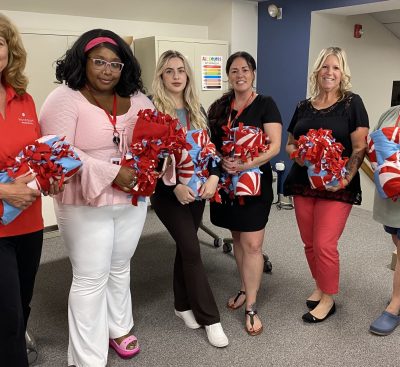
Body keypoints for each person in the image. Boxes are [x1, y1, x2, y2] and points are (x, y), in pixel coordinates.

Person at [40, 29, 154, 366]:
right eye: (99, 61)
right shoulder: (65, 97)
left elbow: (153, 140)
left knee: (119, 267)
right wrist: (110, 171)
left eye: (115, 63)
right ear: (83, 61)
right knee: (91, 276)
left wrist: (154, 163)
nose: (107, 70)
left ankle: (118, 328)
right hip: (83, 200)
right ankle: (87, 358)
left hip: (130, 199)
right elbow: (55, 147)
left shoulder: (137, 98)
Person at [284, 47, 369, 323]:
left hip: (336, 186)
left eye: (335, 67)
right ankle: (319, 285)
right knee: (309, 243)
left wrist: (344, 178)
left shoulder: (352, 103)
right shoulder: (303, 106)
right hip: (303, 183)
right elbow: (290, 144)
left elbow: (359, 148)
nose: (329, 72)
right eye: (325, 67)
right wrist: (301, 154)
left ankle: (329, 298)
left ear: (342, 73)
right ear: (317, 71)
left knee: (324, 243)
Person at [149, 50, 228, 348]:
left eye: (181, 70)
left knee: (186, 249)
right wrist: (173, 188)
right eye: (169, 71)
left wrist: (214, 177)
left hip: (198, 192)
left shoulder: (198, 109)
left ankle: (181, 306)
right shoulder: (153, 112)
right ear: (161, 76)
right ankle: (211, 319)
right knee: (193, 250)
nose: (176, 76)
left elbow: (212, 153)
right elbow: (150, 161)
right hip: (170, 195)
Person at [0, 13, 62, 367]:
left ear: (9, 49)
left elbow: (35, 155)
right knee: (8, 312)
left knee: (22, 302)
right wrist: (4, 192)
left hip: (30, 222)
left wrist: (50, 176)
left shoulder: (23, 100)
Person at [208, 51, 282, 336]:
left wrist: (246, 164)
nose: (240, 75)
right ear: (228, 75)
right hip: (227, 186)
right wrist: (222, 159)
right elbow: (210, 142)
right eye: (234, 70)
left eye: (245, 69)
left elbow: (274, 145)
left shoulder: (266, 104)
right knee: (237, 237)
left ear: (253, 73)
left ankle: (251, 306)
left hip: (254, 186)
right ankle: (243, 287)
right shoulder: (219, 106)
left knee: (252, 244)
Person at [369, 105, 400, 335]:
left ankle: (395, 306)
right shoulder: (390, 113)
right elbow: (373, 145)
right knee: (396, 241)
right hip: (390, 195)